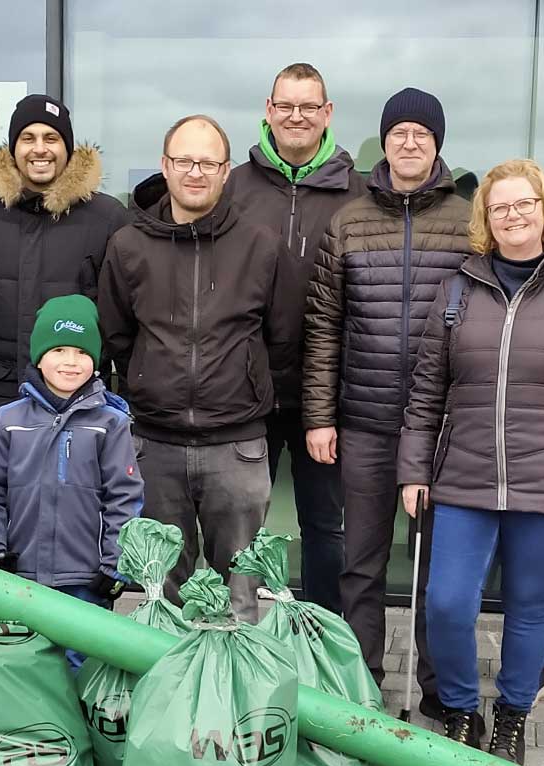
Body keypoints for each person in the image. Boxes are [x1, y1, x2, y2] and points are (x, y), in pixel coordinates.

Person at [397, 158, 544, 765]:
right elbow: (426, 390)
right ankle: (460, 707)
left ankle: (513, 715)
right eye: (499, 207)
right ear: (486, 219)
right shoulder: (455, 291)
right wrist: (413, 469)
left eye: (523, 204)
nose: (512, 216)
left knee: (532, 608)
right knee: (447, 602)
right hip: (463, 477)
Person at [305, 86, 470, 715]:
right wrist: (320, 413)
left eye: (421, 135)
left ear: (436, 146)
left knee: (437, 570)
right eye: (398, 132)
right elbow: (323, 325)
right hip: (366, 422)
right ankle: (360, 684)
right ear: (384, 142)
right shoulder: (348, 220)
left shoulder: (466, 221)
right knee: (362, 562)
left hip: (444, 427)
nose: (409, 143)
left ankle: (436, 689)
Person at [98, 115, 301, 622]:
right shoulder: (128, 245)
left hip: (236, 447)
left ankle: (240, 700)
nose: (196, 172)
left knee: (240, 598)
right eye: (184, 160)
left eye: (208, 162)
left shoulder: (261, 245)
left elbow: (282, 336)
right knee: (163, 594)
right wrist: (149, 381)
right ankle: (172, 695)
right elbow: (118, 332)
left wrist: (246, 385)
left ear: (226, 171)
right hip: (155, 445)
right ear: (165, 166)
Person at [225, 63, 367, 615]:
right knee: (241, 524)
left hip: (325, 397)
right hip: (247, 390)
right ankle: (235, 633)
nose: (296, 116)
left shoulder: (357, 195)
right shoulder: (233, 186)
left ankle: (322, 635)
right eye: (286, 105)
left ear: (327, 114)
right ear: (268, 109)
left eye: (309, 106)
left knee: (324, 526)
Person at [0, 94, 130, 449]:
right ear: (13, 147)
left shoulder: (108, 218)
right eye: (28, 138)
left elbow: (124, 320)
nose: (39, 149)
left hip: (81, 402)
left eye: (51, 138)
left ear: (68, 148)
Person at [0, 295, 144, 667]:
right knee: (24, 664)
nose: (70, 361)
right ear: (38, 356)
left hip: (85, 576)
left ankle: (78, 726)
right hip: (21, 572)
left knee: (82, 664)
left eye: (82, 352)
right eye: (59, 349)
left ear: (95, 360)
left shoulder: (109, 423)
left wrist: (115, 565)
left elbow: (124, 498)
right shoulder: (9, 419)